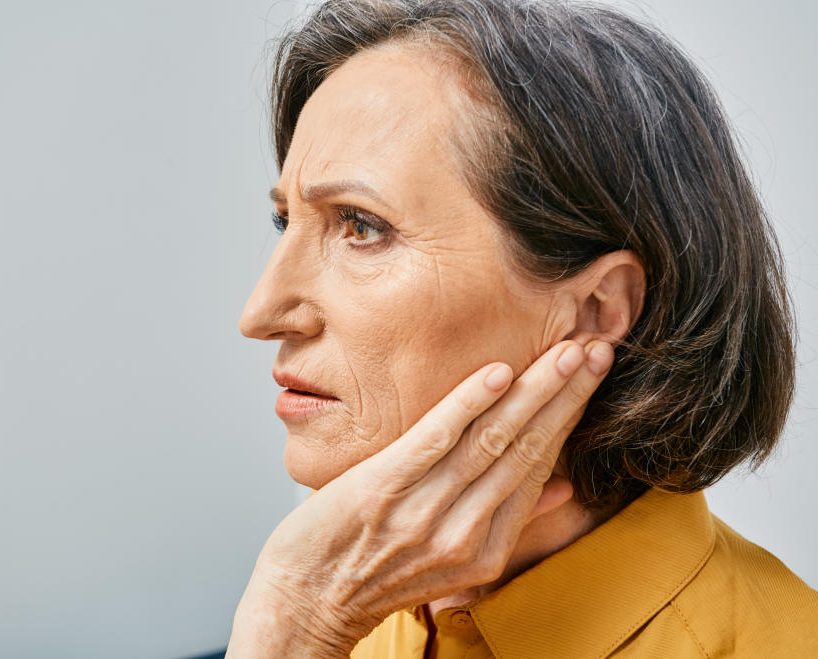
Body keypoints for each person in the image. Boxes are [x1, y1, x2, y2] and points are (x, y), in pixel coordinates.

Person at [228, 0, 818, 656]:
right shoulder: (339, 611)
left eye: (360, 225)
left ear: (596, 308)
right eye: (287, 221)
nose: (261, 312)